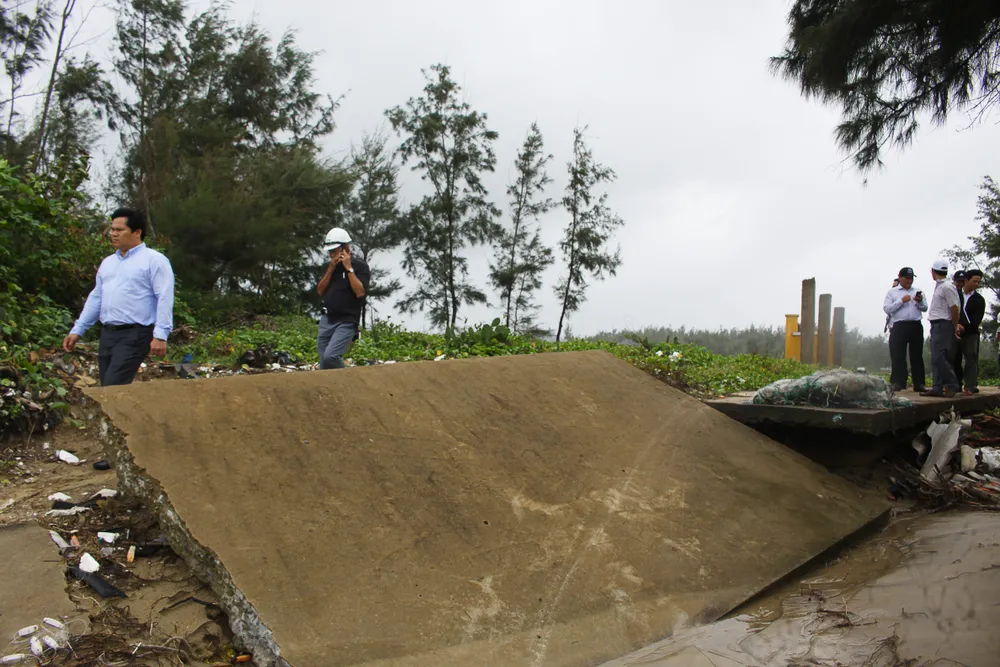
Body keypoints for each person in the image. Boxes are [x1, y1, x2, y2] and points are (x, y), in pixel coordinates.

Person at [62, 208, 174, 386]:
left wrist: (160, 335)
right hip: (108, 333)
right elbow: (97, 297)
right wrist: (78, 329)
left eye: (120, 230)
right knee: (108, 386)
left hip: (135, 333)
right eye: (112, 229)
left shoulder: (154, 261)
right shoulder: (108, 263)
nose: (114, 234)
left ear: (137, 232)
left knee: (113, 386)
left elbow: (164, 297)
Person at [316, 227, 369, 369]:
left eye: (334, 251)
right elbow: (320, 290)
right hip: (327, 318)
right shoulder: (330, 267)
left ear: (346, 248)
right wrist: (331, 269)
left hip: (347, 320)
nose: (331, 254)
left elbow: (360, 292)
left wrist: (349, 268)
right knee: (324, 362)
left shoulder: (360, 267)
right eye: (330, 251)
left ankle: (349, 378)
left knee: (331, 356)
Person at [922, 258, 962, 397]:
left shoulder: (946, 286)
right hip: (937, 324)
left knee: (940, 357)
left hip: (943, 323)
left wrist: (955, 325)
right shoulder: (940, 286)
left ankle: (952, 384)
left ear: (933, 271)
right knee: (935, 357)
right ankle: (937, 387)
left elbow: (955, 308)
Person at [883, 267, 928, 392]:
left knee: (917, 355)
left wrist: (920, 302)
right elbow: (887, 309)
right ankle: (898, 382)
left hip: (915, 324)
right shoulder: (892, 292)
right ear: (900, 277)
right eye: (907, 278)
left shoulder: (917, 291)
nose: (909, 281)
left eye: (911, 278)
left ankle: (919, 383)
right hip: (899, 325)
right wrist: (901, 301)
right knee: (898, 355)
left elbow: (925, 308)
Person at [954, 269, 985, 395]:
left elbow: (977, 320)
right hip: (955, 331)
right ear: (966, 280)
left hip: (970, 333)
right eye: (974, 281)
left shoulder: (979, 300)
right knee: (954, 358)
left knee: (971, 358)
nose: (976, 284)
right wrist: (956, 326)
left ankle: (970, 385)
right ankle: (956, 384)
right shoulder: (956, 295)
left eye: (978, 282)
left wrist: (964, 327)